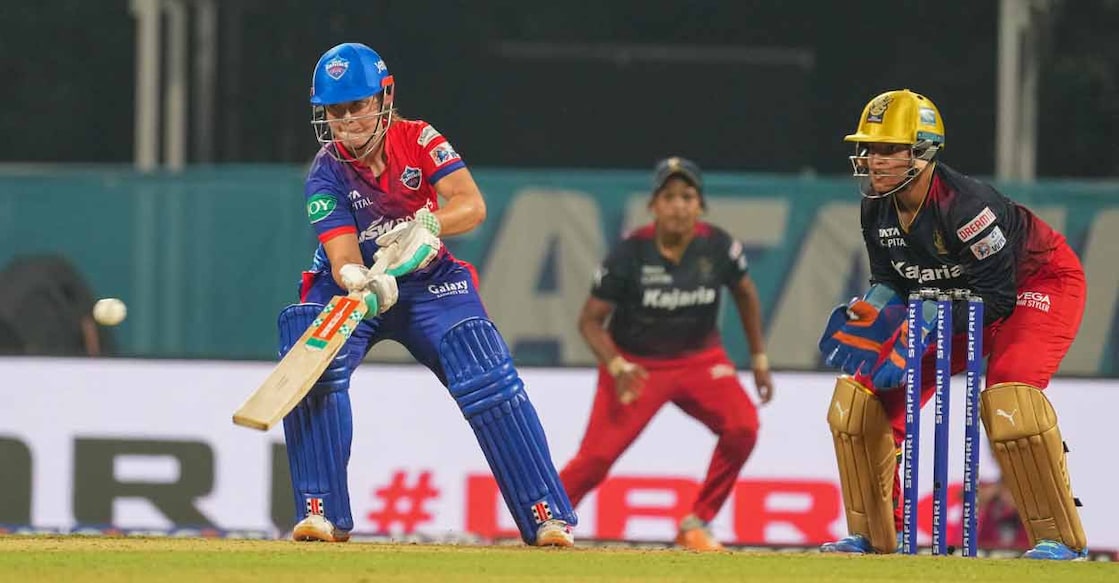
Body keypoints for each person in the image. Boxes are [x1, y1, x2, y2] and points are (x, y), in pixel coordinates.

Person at [279, 42, 576, 546]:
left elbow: (471, 205)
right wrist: (360, 280)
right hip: (359, 284)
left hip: (428, 279)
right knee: (313, 363)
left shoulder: (419, 138)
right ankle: (321, 513)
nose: (347, 121)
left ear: (384, 97)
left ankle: (546, 515)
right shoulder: (324, 172)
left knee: (483, 367)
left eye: (357, 105)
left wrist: (426, 226)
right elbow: (343, 255)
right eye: (335, 110)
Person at [818, 89, 1088, 560]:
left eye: (888, 149)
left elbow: (998, 300)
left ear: (923, 152)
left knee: (1011, 394)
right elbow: (891, 279)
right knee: (859, 400)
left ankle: (1060, 540)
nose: (874, 161)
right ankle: (876, 534)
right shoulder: (875, 205)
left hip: (1035, 283)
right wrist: (869, 313)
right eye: (869, 149)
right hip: (959, 297)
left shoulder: (966, 206)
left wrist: (921, 321)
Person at [559, 157, 774, 552]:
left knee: (743, 427)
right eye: (669, 197)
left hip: (700, 360)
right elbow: (589, 321)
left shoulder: (719, 246)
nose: (678, 206)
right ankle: (545, 520)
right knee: (595, 459)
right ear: (653, 206)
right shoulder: (629, 253)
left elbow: (745, 293)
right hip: (636, 366)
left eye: (687, 197)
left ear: (700, 206)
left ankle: (698, 522)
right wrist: (616, 364)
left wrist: (758, 358)